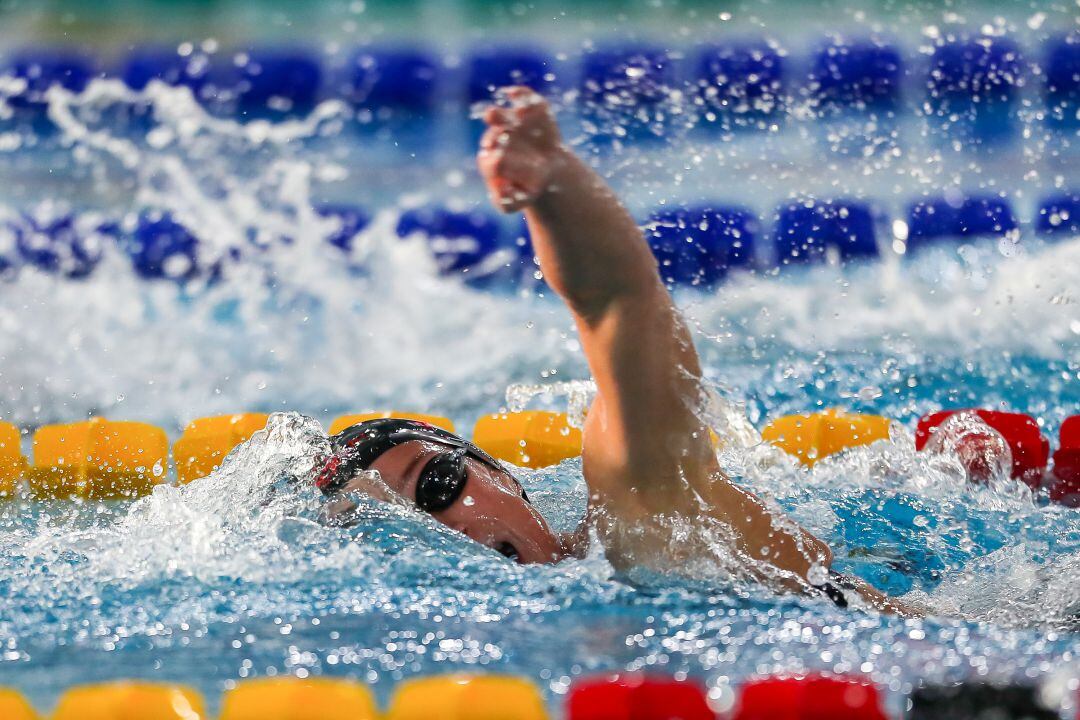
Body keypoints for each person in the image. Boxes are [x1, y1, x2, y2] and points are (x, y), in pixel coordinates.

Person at [315, 87, 913, 616]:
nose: (441, 531)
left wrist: (553, 187)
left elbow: (620, 304)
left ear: (499, 474)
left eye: (438, 484)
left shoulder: (644, 521)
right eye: (391, 531)